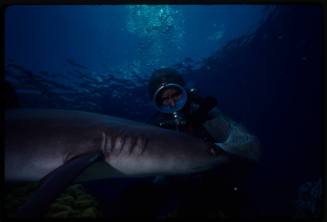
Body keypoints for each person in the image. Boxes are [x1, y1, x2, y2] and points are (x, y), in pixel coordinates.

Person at [143, 67, 261, 219]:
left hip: (226, 193)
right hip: (190, 202)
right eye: (164, 99)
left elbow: (251, 146)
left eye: (176, 95)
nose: (172, 103)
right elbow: (164, 174)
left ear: (184, 92)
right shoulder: (160, 128)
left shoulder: (206, 114)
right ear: (157, 102)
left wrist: (213, 151)